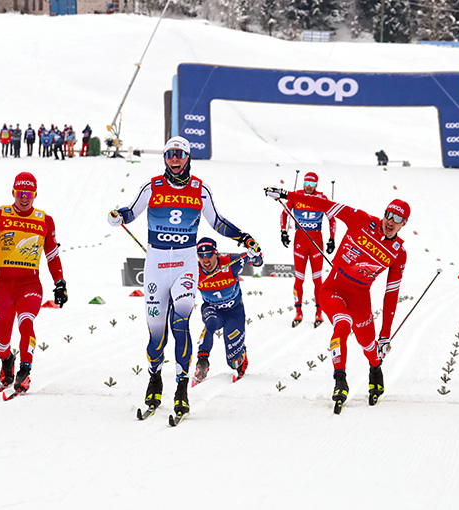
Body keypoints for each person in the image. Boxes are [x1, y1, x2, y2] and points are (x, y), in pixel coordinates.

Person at [108, 136, 260, 419]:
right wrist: (119, 215)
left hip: (185, 266)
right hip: (156, 265)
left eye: (179, 154)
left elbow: (217, 222)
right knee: (156, 334)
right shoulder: (152, 186)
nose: (174, 159)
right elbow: (131, 211)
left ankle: (181, 387)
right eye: (169, 155)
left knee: (181, 324)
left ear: (188, 157)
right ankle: (154, 379)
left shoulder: (200, 189)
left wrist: (243, 237)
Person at [265, 186, 409, 408]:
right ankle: (340, 379)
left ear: (404, 224)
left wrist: (385, 335)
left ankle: (375, 369)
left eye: (397, 218)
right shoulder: (361, 220)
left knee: (369, 346)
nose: (390, 221)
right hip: (333, 289)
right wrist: (286, 195)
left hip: (360, 296)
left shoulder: (398, 253)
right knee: (342, 325)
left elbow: (392, 293)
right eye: (388, 214)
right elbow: (325, 205)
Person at [0, 172, 68, 394]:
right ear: (13, 192)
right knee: (1, 342)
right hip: (2, 285)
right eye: (20, 193)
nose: (24, 198)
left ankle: (25, 371)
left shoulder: (45, 220)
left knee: (27, 323)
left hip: (29, 285)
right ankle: (7, 361)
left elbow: (52, 255)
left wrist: (60, 283)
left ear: (35, 195)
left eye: (29, 193)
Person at [193, 237, 263, 384]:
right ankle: (202, 362)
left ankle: (240, 355)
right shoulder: (193, 269)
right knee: (211, 323)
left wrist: (255, 253)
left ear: (216, 253)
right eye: (201, 255)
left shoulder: (231, 262)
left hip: (234, 312)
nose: (205, 260)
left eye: (209, 255)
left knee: (233, 362)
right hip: (212, 308)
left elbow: (258, 262)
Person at [279, 171, 336, 328]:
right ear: (303, 183)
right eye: (306, 183)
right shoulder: (296, 196)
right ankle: (298, 312)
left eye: (312, 184)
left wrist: (332, 239)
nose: (308, 187)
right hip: (300, 242)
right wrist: (283, 232)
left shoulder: (321, 199)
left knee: (317, 280)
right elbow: (284, 214)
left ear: (316, 185)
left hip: (316, 242)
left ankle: (319, 313)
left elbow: (332, 218)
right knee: (299, 279)